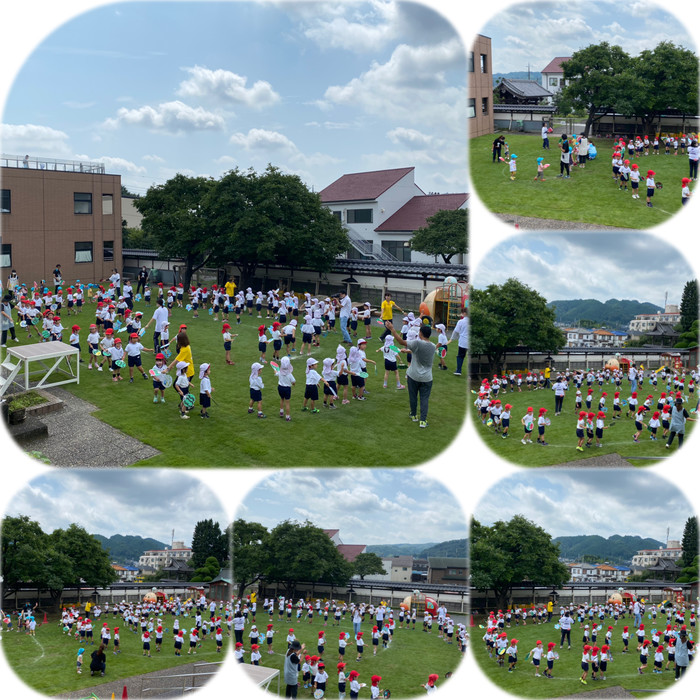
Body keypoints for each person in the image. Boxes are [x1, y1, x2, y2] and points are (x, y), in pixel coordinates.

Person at [385, 320, 434, 428]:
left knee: (413, 396)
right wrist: (407, 351)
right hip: (427, 378)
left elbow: (401, 342)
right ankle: (423, 421)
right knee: (424, 398)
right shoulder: (433, 346)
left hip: (413, 375)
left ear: (420, 333)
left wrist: (392, 329)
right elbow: (418, 351)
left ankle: (413, 415)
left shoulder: (417, 343)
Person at [448, 309, 468, 376]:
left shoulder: (461, 322)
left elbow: (456, 331)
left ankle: (458, 370)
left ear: (464, 313)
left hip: (463, 342)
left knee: (460, 356)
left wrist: (451, 339)